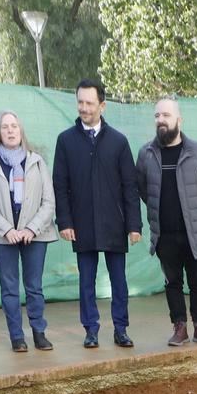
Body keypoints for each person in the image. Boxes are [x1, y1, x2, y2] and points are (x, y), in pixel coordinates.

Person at [51, 79, 141, 348]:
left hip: (114, 224)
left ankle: (121, 329)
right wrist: (64, 221)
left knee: (119, 281)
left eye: (89, 103)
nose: (84, 108)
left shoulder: (119, 142)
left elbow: (130, 187)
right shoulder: (65, 141)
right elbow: (60, 184)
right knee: (86, 282)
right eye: (80, 102)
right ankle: (91, 330)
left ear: (102, 105)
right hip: (81, 225)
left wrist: (133, 225)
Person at [135, 97, 197, 347]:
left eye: (166, 115)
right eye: (157, 116)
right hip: (165, 234)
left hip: (194, 232)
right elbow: (142, 188)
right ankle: (179, 327)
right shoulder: (146, 154)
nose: (161, 120)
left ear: (178, 120)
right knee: (172, 283)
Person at [0, 111, 56, 353]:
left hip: (36, 235)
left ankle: (39, 333)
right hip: (2, 237)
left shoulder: (37, 161)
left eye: (14, 126)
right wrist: (6, 229)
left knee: (34, 286)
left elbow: (48, 201)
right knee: (9, 287)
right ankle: (17, 337)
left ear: (21, 131)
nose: (10, 131)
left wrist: (32, 228)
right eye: (5, 127)